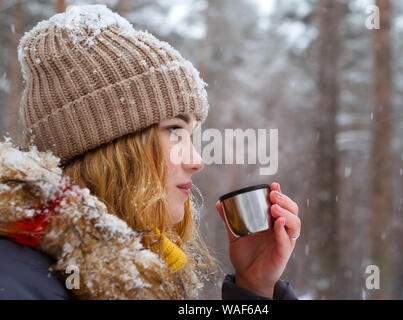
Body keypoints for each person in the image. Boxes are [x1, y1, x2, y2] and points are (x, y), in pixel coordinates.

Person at [0, 4, 300, 300]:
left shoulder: (124, 273)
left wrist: (255, 287)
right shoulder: (15, 284)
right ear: (106, 146)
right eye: (174, 130)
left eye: (191, 135)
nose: (197, 160)